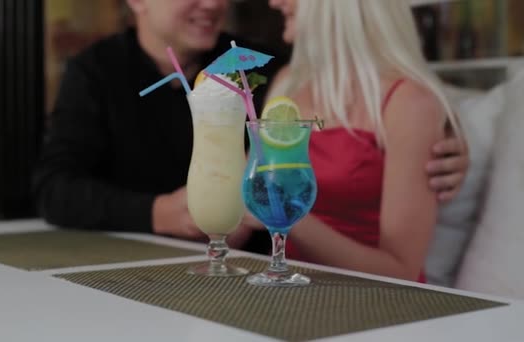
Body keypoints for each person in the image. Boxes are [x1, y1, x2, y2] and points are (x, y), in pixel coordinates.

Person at [33, 0, 468, 253]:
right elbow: (54, 187)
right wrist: (161, 213)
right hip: (132, 258)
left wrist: (448, 138)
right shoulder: (95, 72)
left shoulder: (254, 66)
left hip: (250, 266)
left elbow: (359, 94)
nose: (214, 4)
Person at [257, 0, 469, 281]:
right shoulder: (286, 83)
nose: (275, 2)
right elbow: (242, 211)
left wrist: (283, 216)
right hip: (291, 294)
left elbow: (401, 271)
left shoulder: (409, 102)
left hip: (376, 303)